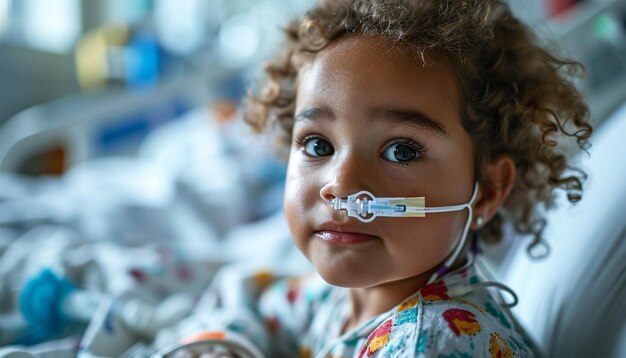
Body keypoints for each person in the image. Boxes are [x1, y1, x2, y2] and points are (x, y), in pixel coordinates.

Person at [155, 0, 592, 356]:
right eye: (317, 146)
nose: (341, 185)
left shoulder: (438, 340)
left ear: (487, 191)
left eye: (401, 151)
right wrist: (225, 346)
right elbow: (251, 298)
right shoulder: (341, 297)